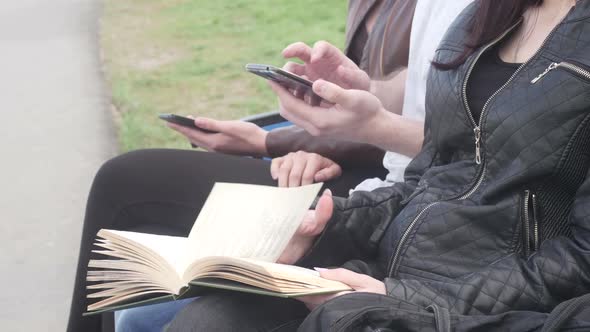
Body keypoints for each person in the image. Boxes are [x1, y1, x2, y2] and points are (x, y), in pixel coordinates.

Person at [164, 0, 590, 330]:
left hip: (489, 308)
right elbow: (432, 174)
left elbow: (580, 261)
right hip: (389, 272)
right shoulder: (486, 15)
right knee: (210, 318)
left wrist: (407, 299)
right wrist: (323, 226)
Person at [66, 1, 420, 331]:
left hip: (395, 190)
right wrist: (324, 118)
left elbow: (444, 132)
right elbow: (391, 102)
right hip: (364, 164)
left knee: (129, 181)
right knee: (130, 194)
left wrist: (269, 141)